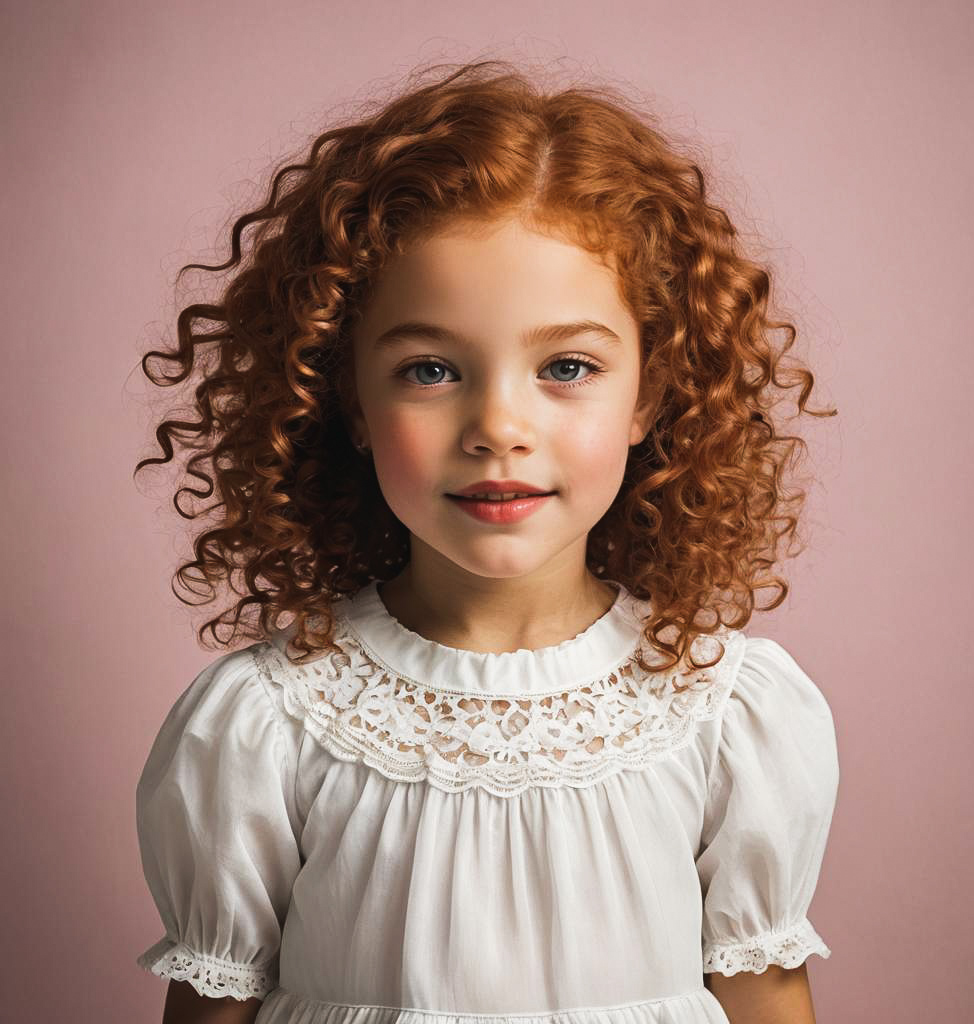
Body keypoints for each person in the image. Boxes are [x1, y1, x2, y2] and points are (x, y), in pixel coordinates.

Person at [133, 58, 840, 1024]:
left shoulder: (723, 712)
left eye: (567, 365)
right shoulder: (268, 724)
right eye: (430, 368)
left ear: (652, 395)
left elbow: (766, 999)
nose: (498, 426)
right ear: (345, 399)